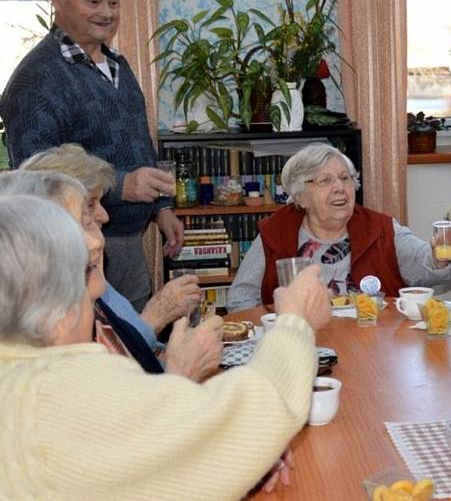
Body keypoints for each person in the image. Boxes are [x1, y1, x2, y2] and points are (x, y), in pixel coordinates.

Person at [0, 194, 331, 498]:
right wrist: (295, 321)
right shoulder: (61, 389)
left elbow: (155, 455)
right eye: (84, 272)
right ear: (57, 301)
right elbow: (248, 420)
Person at [0, 0, 182, 312]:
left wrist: (161, 208)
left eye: (113, 3)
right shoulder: (35, 79)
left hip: (128, 247)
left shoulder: (118, 64)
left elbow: (139, 145)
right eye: (93, 1)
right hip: (75, 252)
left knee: (136, 347)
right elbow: (37, 178)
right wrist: (121, 184)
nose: (107, 13)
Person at [0, 170, 221, 381]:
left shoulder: (94, 300)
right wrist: (181, 372)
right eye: (86, 221)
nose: (103, 221)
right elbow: (116, 410)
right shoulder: (55, 333)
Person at [228, 143, 451, 311]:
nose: (339, 187)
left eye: (345, 178)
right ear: (300, 197)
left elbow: (421, 261)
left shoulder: (379, 227)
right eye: (325, 181)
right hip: (300, 344)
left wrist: (438, 257)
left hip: (372, 344)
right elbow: (241, 299)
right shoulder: (276, 232)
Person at [21, 144, 200, 350]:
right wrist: (157, 315)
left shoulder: (93, 274)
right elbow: (101, 365)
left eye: (101, 202)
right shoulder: (50, 304)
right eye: (90, 205)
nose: (104, 216)